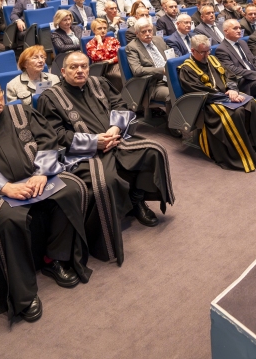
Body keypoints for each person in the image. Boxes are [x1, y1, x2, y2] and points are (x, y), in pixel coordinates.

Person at [0, 76, 92, 321]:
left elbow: (47, 140)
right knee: (7, 219)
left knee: (71, 190)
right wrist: (4, 188)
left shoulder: (22, 113)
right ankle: (24, 293)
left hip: (36, 180)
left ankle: (55, 259)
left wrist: (42, 173)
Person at [37, 51, 175, 249]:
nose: (80, 71)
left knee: (154, 151)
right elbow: (55, 135)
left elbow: (120, 105)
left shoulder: (99, 83)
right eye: (74, 67)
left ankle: (136, 200)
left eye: (84, 66)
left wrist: (116, 127)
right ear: (63, 71)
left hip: (115, 138)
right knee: (106, 180)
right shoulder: (50, 97)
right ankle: (111, 219)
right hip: (84, 152)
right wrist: (94, 142)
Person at [177, 35, 256, 171]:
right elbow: (198, 91)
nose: (207, 54)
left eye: (208, 50)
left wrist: (232, 89)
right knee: (236, 112)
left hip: (226, 95)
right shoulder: (187, 69)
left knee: (252, 103)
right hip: (207, 102)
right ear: (193, 51)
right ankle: (239, 155)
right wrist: (226, 97)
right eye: (203, 52)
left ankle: (252, 147)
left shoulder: (213, 59)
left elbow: (229, 75)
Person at [124, 18, 172, 106]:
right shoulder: (132, 47)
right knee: (172, 94)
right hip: (154, 84)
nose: (147, 34)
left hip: (171, 78)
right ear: (137, 33)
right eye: (143, 32)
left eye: (149, 30)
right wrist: (162, 70)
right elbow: (137, 70)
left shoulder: (159, 40)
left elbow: (172, 55)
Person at [84, 18, 122, 92]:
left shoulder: (112, 40)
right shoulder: (90, 44)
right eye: (99, 28)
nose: (103, 30)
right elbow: (99, 57)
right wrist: (99, 42)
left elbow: (120, 55)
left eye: (105, 28)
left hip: (117, 64)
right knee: (121, 76)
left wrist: (111, 60)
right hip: (103, 69)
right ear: (94, 30)